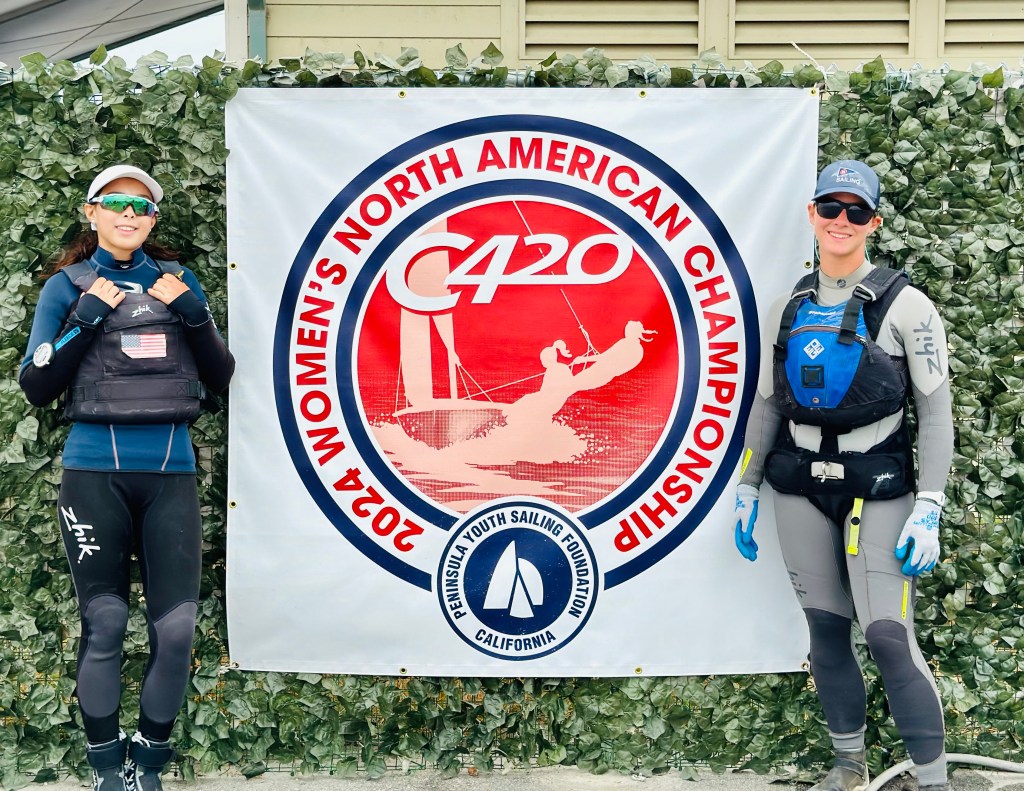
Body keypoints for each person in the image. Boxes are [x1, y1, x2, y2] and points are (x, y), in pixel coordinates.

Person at [733, 160, 953, 791]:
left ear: (873, 223)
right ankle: (849, 764)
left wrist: (930, 505)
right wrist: (747, 485)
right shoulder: (787, 307)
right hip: (799, 489)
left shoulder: (909, 307)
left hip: (878, 489)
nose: (841, 221)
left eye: (856, 211)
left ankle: (934, 779)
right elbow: (767, 406)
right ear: (812, 214)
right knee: (826, 630)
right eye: (830, 207)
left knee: (887, 635)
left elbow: (936, 413)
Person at [19, 164, 235, 791]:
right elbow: (36, 386)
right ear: (91, 213)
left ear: (152, 219)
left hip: (171, 473)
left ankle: (151, 761)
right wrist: (85, 318)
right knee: (106, 621)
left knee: (177, 628)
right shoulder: (65, 288)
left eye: (141, 206)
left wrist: (194, 312)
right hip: (93, 474)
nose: (128, 214)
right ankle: (107, 767)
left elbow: (221, 376)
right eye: (114, 202)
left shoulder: (178, 282)